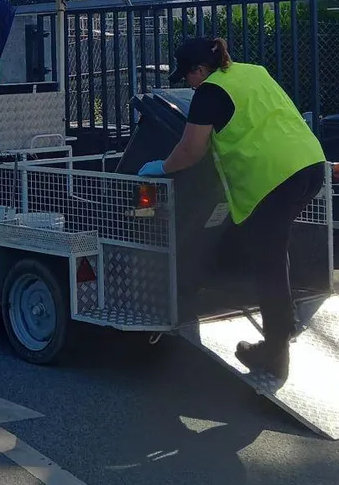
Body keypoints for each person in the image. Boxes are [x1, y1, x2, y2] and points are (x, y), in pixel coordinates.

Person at [138, 36, 326, 379]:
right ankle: (284, 322)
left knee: (269, 258)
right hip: (311, 165)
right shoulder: (253, 72)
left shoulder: (210, 92)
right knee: (271, 248)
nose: (190, 84)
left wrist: (161, 168)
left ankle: (275, 352)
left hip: (275, 177)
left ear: (200, 69)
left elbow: (191, 149)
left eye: (189, 76)